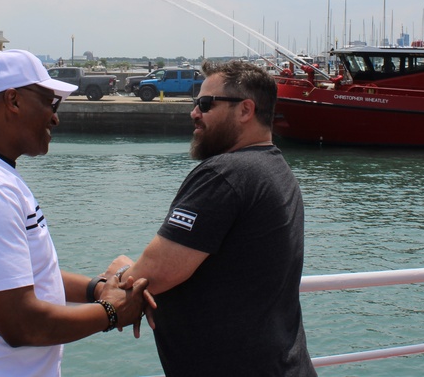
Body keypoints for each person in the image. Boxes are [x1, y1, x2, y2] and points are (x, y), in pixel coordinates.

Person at [0, 49, 152, 377]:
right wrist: (112, 311)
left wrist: (95, 289)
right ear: (13, 100)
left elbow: (14, 275)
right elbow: (21, 324)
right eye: (50, 102)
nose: (55, 116)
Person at [100, 60, 316, 376]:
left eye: (205, 104)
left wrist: (118, 270)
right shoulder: (277, 171)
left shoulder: (225, 175)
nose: (194, 113)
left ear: (245, 110)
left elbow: (150, 276)